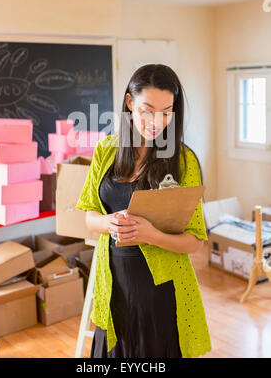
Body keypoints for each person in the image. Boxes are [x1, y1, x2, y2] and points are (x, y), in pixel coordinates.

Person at [75, 64, 211, 358]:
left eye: (166, 111)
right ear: (129, 103)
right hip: (114, 286)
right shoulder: (105, 151)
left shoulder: (183, 161)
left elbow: (194, 241)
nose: (157, 121)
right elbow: (89, 216)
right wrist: (109, 222)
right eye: (147, 110)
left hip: (160, 292)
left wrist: (150, 234)